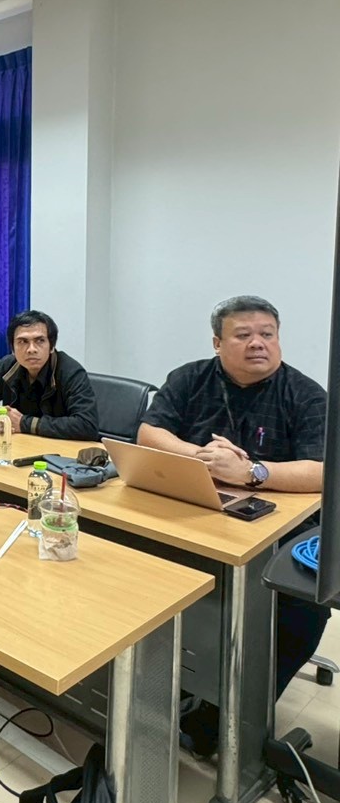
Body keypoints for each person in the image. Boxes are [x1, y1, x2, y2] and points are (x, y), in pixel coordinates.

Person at [138, 294, 329, 751]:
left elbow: (323, 470)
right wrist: (201, 457)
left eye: (267, 334)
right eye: (243, 335)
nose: (257, 343)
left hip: (280, 531)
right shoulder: (189, 378)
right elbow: (148, 432)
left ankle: (231, 719)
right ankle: (160, 686)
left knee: (303, 611)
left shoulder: (306, 395)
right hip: (196, 514)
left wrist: (251, 472)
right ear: (217, 342)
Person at [0, 310, 99, 440]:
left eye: (40, 341)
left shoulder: (71, 372)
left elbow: (87, 425)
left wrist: (24, 423)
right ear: (13, 348)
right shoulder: (9, 365)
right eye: (23, 342)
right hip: (18, 443)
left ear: (51, 346)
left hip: (58, 449)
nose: (31, 349)